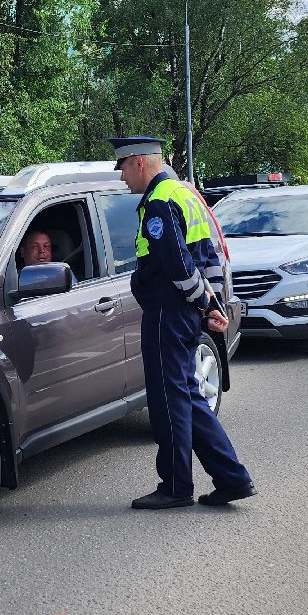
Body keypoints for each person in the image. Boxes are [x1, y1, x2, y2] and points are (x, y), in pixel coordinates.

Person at [113, 136, 254, 510]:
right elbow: (209, 256)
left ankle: (176, 487)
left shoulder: (159, 202)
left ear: (139, 163)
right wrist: (211, 305)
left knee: (168, 401)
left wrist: (205, 302)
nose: (123, 178)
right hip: (184, 314)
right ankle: (232, 478)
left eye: (123, 169)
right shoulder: (186, 194)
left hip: (167, 313)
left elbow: (177, 264)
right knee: (188, 397)